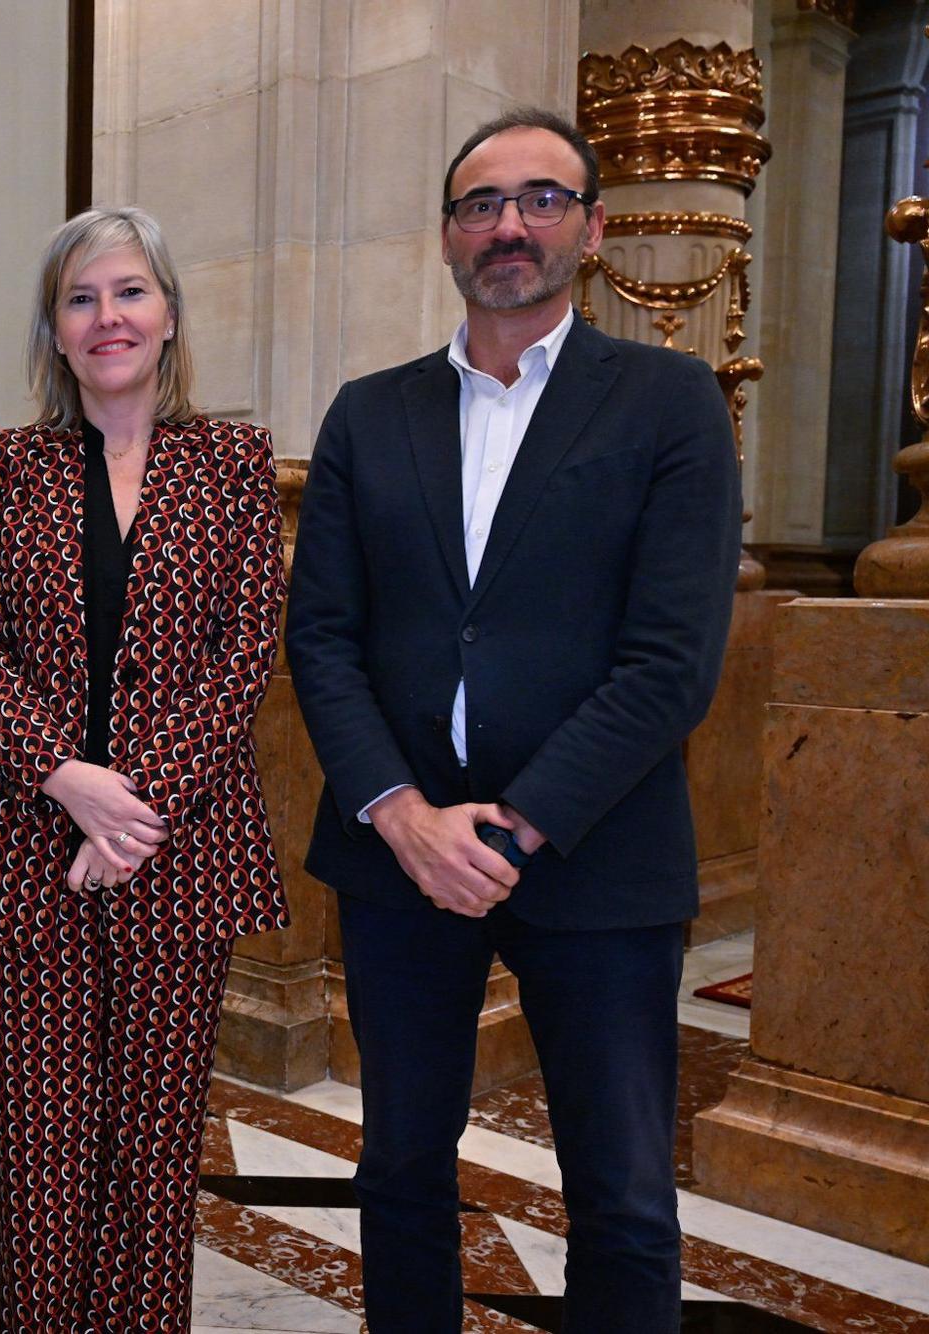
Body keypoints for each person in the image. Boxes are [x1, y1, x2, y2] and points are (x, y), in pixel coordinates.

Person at [284, 108, 743, 1333]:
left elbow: (669, 660)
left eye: (540, 200)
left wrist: (514, 827)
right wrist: (402, 813)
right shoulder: (366, 413)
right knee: (396, 1174)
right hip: (399, 861)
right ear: (445, 235)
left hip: (597, 855)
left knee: (624, 1193)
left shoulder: (669, 400)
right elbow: (320, 636)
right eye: (480, 204)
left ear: (589, 231)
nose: (508, 225)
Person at [0, 206, 289, 1332]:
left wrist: (134, 809)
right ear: (54, 328)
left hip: (179, 856)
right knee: (43, 1148)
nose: (106, 317)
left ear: (169, 314)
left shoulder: (230, 461)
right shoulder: (6, 464)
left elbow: (244, 653)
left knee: (153, 1149)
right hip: (34, 852)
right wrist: (67, 781)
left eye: (128, 292)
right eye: (80, 298)